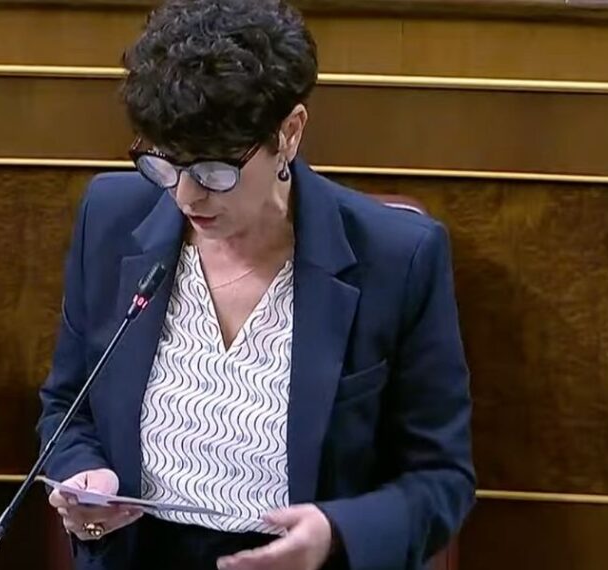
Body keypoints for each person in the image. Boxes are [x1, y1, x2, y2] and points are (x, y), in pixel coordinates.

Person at [37, 1, 475, 569]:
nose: (186, 196)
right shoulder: (111, 219)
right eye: (166, 164)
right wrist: (83, 476)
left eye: (214, 171)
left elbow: (441, 478)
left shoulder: (397, 258)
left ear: (289, 133)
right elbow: (68, 405)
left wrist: (335, 534)